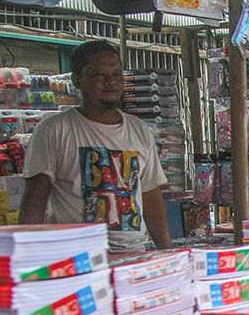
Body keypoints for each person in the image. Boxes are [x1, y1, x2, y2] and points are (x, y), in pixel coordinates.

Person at [21, 40, 171, 252]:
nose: (111, 82)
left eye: (117, 75)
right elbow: (35, 198)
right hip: (78, 257)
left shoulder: (139, 130)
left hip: (133, 254)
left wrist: (168, 252)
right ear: (77, 80)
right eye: (100, 75)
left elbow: (150, 195)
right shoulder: (55, 129)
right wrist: (28, 256)